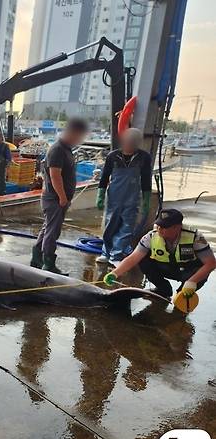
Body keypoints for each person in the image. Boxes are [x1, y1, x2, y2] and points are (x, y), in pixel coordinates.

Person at [103, 209, 215, 301]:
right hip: (166, 267)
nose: (160, 229)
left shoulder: (195, 237)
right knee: (143, 261)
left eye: (164, 227)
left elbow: (211, 263)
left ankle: (182, 293)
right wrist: (115, 273)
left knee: (182, 298)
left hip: (188, 271)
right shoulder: (150, 237)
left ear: (177, 227)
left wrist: (192, 282)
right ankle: (163, 289)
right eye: (159, 225)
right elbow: (133, 258)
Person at [31, 117, 89, 274]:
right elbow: (55, 175)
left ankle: (37, 257)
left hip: (57, 198)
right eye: (79, 135)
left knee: (47, 228)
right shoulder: (57, 149)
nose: (80, 139)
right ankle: (48, 263)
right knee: (52, 231)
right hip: (55, 199)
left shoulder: (65, 149)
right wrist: (62, 197)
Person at [96, 128, 152, 266]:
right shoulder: (113, 156)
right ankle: (106, 252)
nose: (129, 145)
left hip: (132, 197)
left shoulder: (144, 157)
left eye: (133, 142)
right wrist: (101, 195)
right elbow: (104, 177)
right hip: (114, 196)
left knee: (127, 227)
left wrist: (146, 199)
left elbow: (146, 179)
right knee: (110, 224)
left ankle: (117, 255)